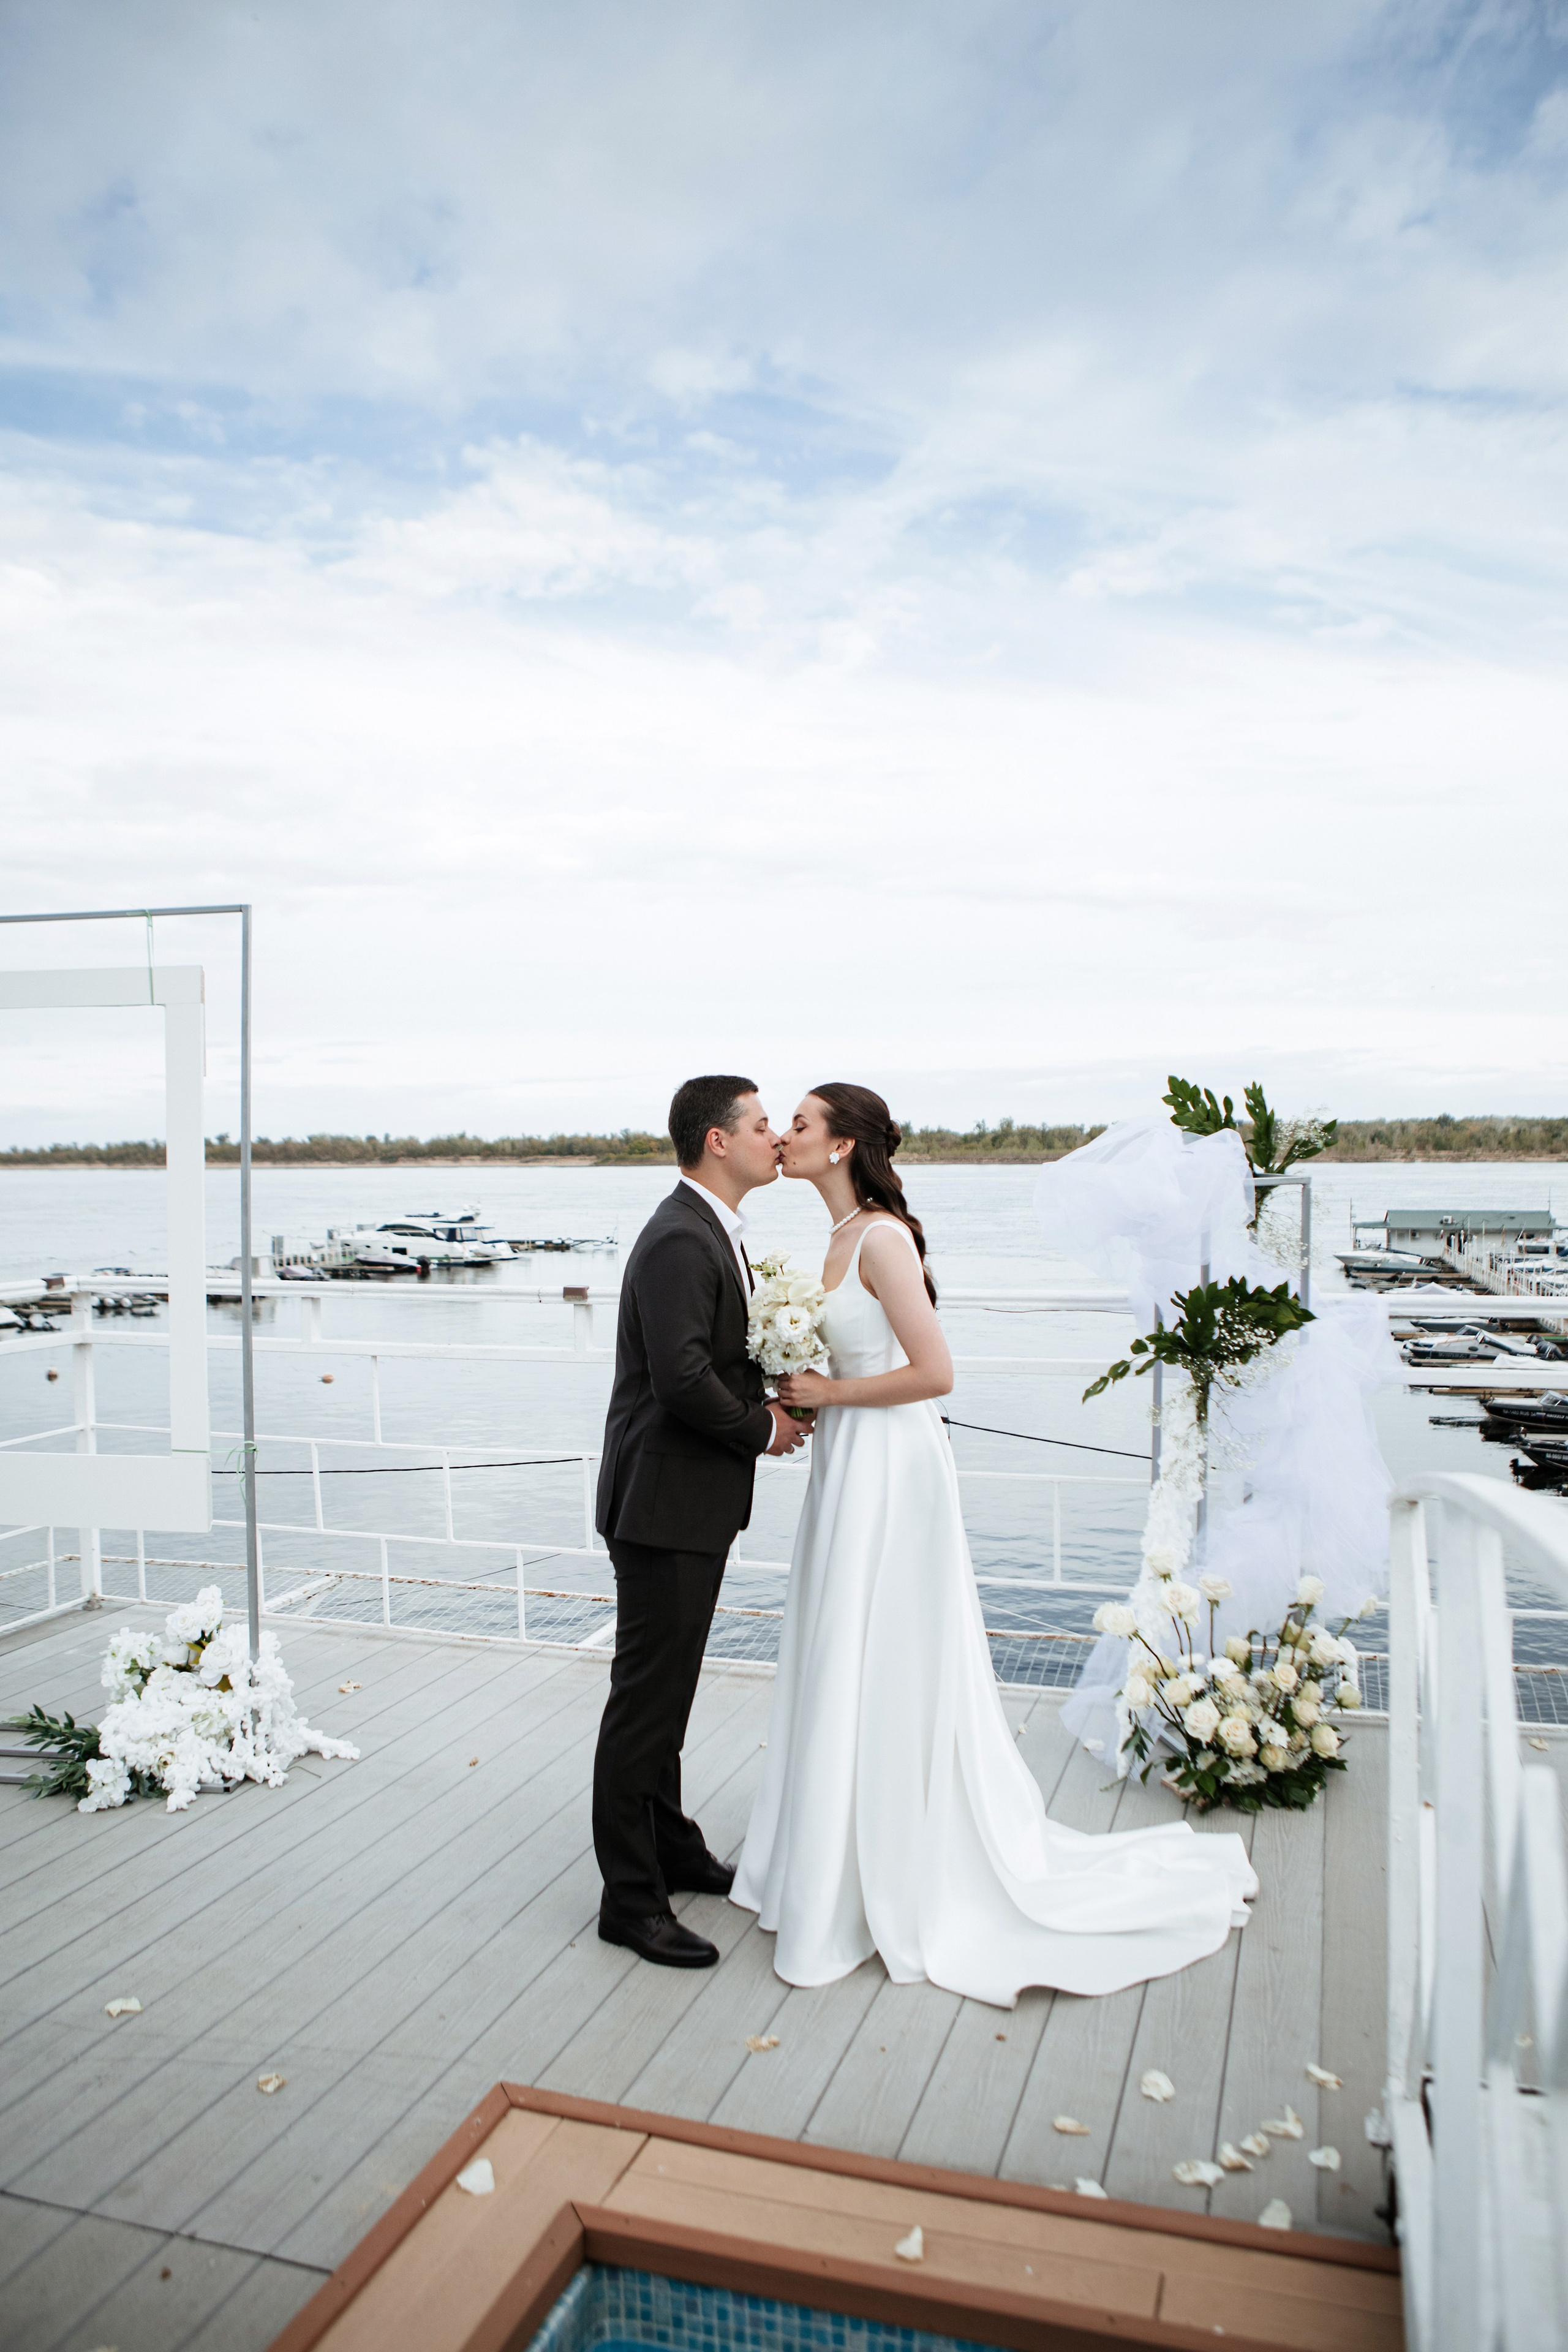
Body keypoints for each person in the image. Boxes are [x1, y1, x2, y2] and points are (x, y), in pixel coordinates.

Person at [729, 1082, 1257, 2006]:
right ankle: (833, 1857)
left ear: (845, 1145)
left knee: (889, 1649)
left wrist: (829, 1396)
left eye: (802, 1124)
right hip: (850, 1463)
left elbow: (935, 1373)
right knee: (841, 1646)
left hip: (894, 1465)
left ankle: (894, 1870)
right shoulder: (837, 1238)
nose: (786, 1136)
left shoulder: (884, 1239)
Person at [592, 1074, 809, 1969]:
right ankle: (629, 1901)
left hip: (685, 1500)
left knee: (670, 1693)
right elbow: (682, 1379)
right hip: (662, 1504)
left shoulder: (711, 1228)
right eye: (762, 1124)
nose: (774, 1137)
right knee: (645, 1705)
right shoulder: (681, 1238)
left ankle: (673, 1845)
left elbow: (709, 1357)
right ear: (717, 1141)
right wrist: (764, 1427)